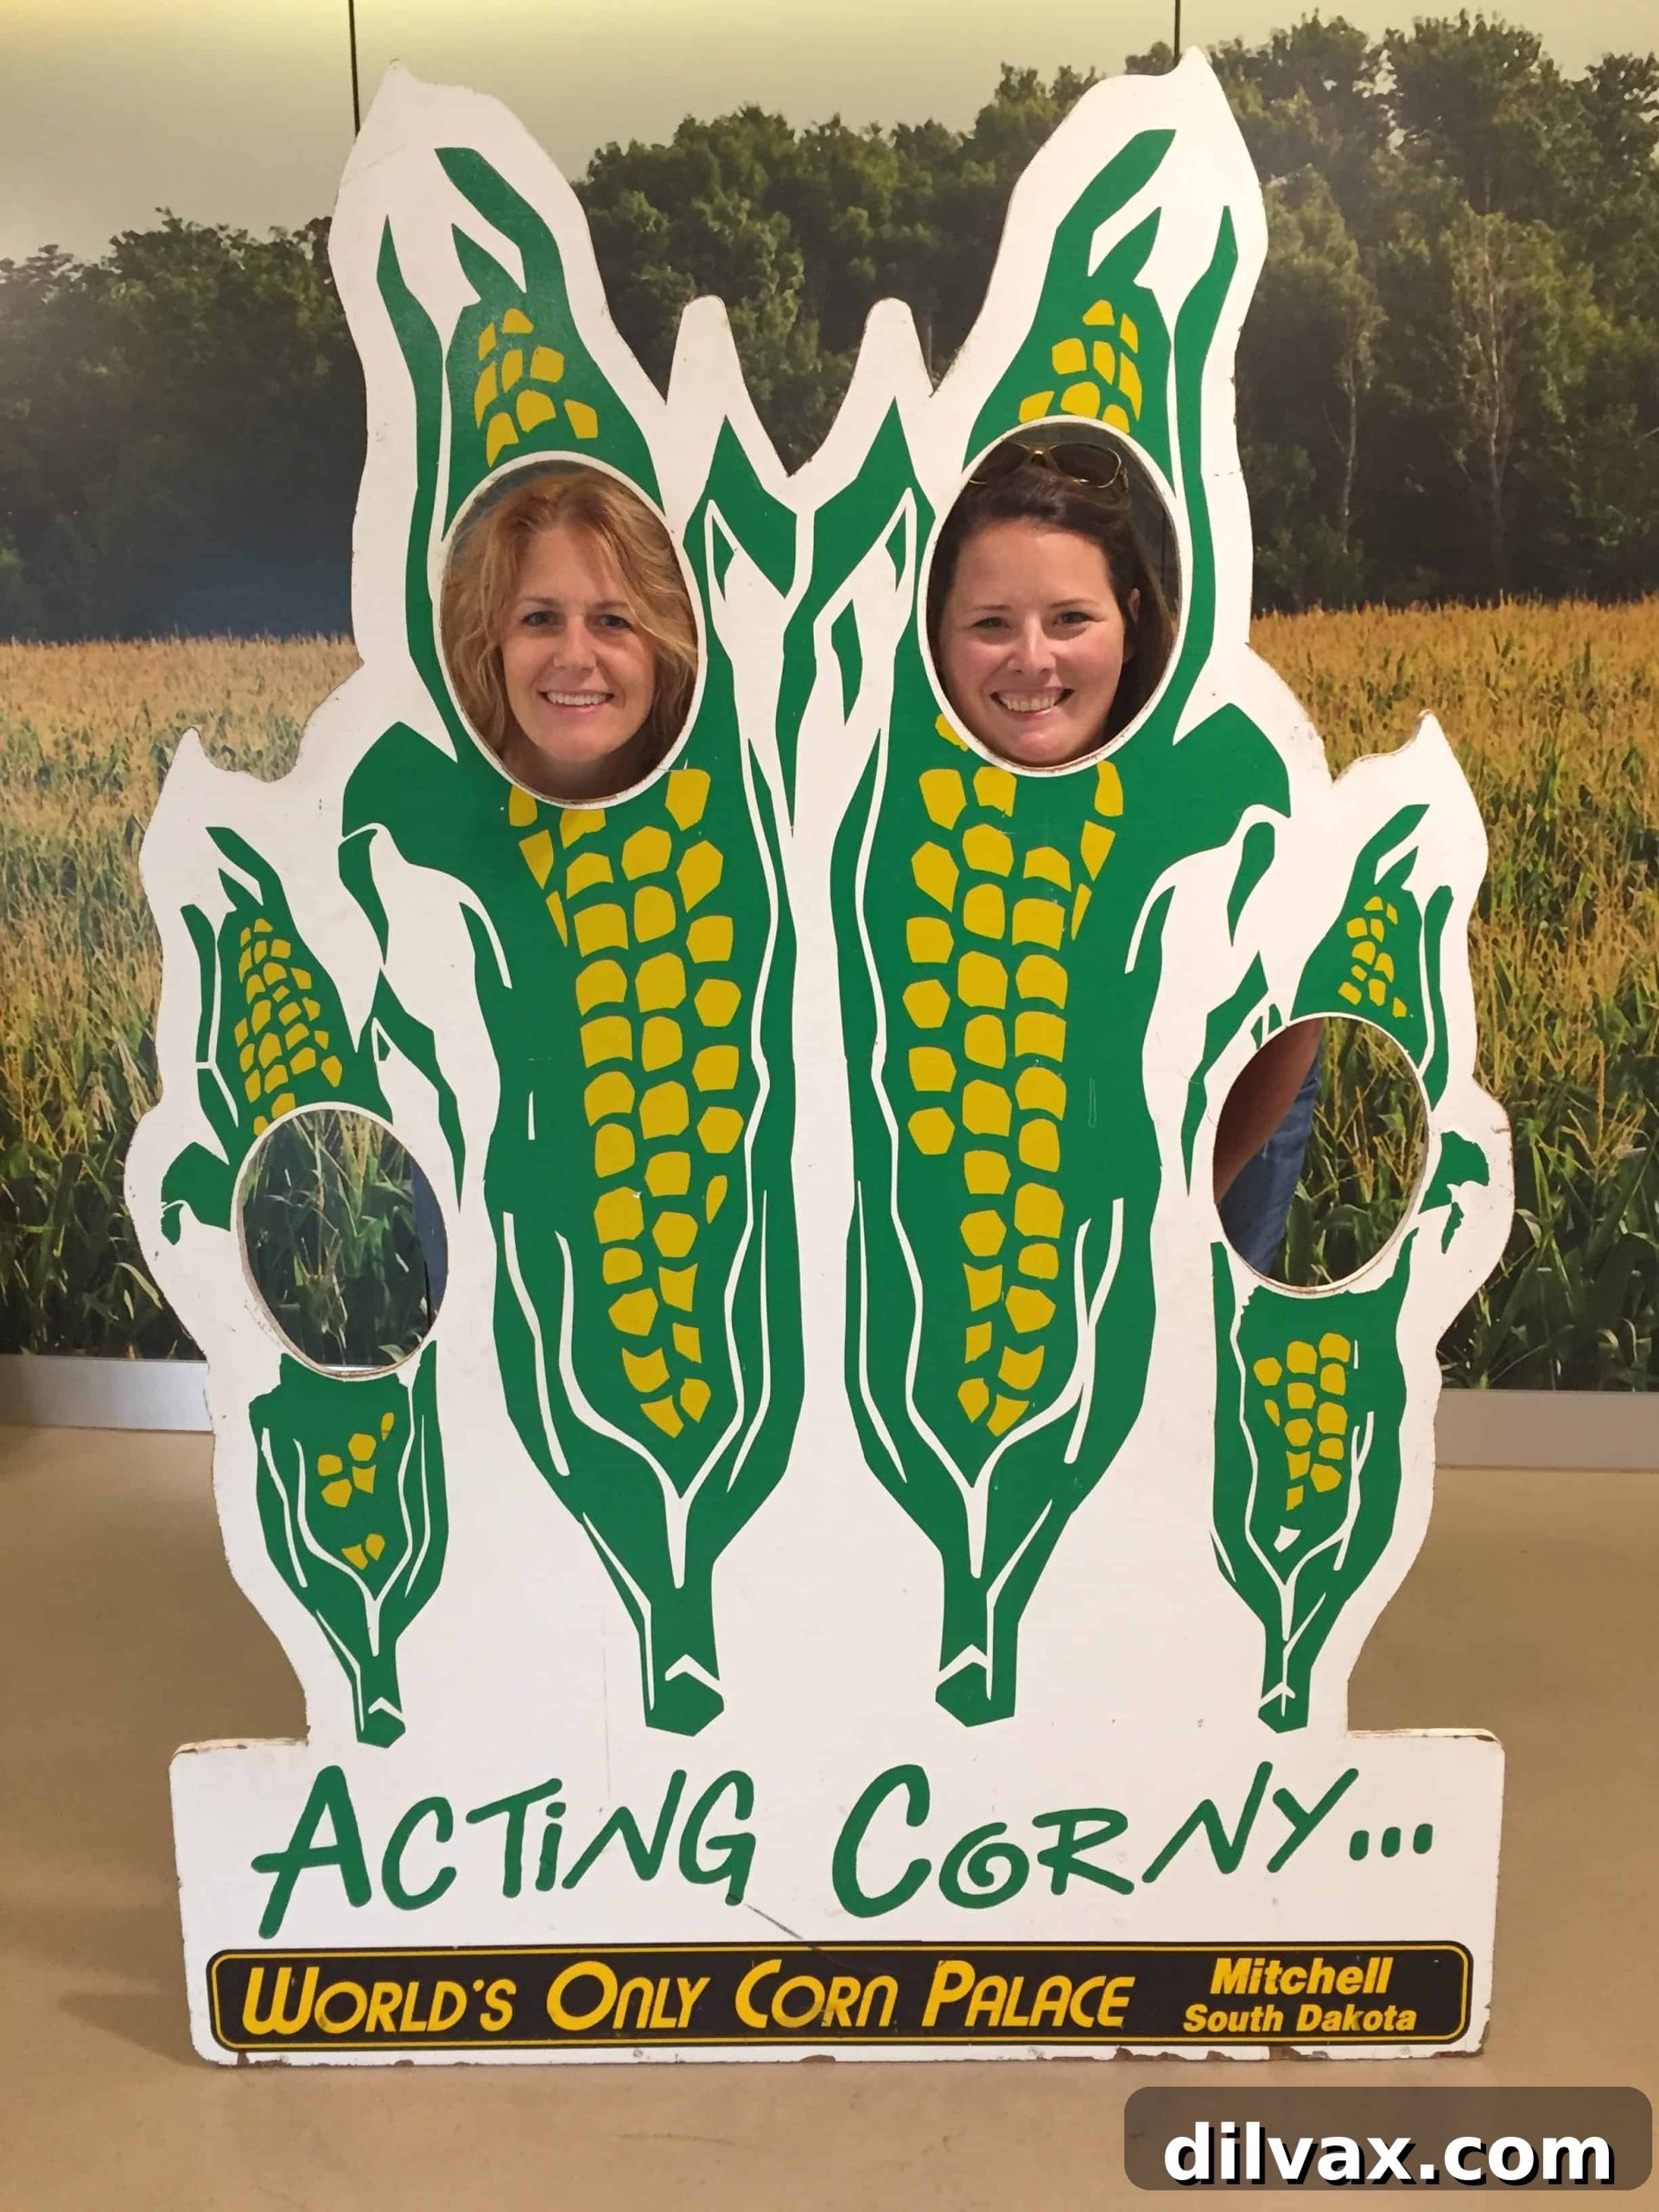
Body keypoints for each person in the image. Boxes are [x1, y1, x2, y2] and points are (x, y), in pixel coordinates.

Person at [927, 436, 1319, 1270]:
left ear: (1134, 624)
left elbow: (1294, 1019)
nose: (1032, 657)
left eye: (1071, 619)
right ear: (937, 638)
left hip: (1220, 1118)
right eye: (991, 624)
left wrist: (1183, 1204)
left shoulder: (1215, 789)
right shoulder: (900, 805)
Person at [442, 466, 698, 803]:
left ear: (664, 647)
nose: (574, 657)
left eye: (612, 621)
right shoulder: (422, 804)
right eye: (540, 618)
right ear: (491, 639)